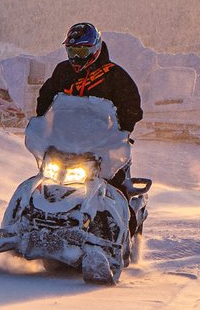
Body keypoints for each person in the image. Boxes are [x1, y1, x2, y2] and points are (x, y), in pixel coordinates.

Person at [36, 22, 144, 191]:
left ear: (95, 49)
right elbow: (46, 95)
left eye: (81, 52)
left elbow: (132, 106)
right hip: (63, 142)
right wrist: (41, 122)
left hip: (100, 147)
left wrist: (121, 132)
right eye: (71, 51)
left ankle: (125, 206)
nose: (75, 57)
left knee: (116, 187)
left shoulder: (114, 76)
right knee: (43, 183)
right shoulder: (63, 71)